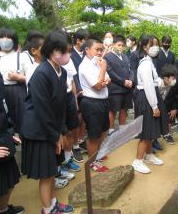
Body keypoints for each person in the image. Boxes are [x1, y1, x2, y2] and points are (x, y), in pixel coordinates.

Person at [20, 30, 74, 214]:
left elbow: (61, 106)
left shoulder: (62, 72)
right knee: (47, 173)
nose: (67, 55)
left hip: (52, 128)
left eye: (69, 51)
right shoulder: (41, 73)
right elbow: (42, 109)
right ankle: (48, 209)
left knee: (52, 170)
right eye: (64, 51)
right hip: (39, 130)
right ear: (52, 51)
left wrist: (62, 131)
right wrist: (54, 136)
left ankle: (52, 202)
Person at [0, 41, 25, 214]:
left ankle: (4, 209)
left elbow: (4, 108)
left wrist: (11, 132)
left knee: (10, 180)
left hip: (2, 136)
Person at [132, 35, 168, 174]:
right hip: (147, 98)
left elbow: (154, 81)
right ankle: (137, 161)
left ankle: (148, 155)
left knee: (151, 129)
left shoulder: (149, 62)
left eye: (156, 44)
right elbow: (147, 85)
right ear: (144, 46)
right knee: (146, 131)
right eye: (152, 44)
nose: (155, 47)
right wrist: (154, 106)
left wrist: (161, 82)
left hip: (150, 96)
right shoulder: (145, 63)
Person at [79, 39, 111, 172]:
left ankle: (98, 153)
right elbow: (98, 85)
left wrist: (104, 77)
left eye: (101, 50)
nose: (99, 52)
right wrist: (103, 69)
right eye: (97, 49)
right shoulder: (85, 66)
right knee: (94, 134)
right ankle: (93, 162)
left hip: (102, 101)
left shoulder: (97, 62)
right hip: (91, 102)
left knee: (103, 129)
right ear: (87, 50)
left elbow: (108, 79)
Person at [0, 28, 29, 134]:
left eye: (8, 37)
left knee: (22, 121)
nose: (5, 40)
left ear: (14, 40)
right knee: (1, 122)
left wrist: (19, 78)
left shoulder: (22, 56)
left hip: (18, 91)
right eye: (2, 37)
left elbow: (33, 77)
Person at [104, 35, 133, 135]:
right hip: (115, 88)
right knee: (113, 110)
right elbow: (110, 72)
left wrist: (131, 80)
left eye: (122, 45)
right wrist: (123, 81)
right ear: (113, 45)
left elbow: (131, 69)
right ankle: (111, 129)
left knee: (124, 109)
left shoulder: (125, 56)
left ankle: (122, 128)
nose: (120, 47)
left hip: (127, 88)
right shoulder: (107, 57)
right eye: (118, 45)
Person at [70, 29, 89, 161]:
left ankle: (81, 139)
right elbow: (73, 74)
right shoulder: (70, 54)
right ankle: (75, 145)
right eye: (84, 40)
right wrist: (78, 90)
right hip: (76, 90)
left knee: (84, 117)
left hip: (88, 90)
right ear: (78, 41)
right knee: (77, 118)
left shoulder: (86, 53)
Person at [158, 64, 177, 145]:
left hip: (161, 102)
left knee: (166, 114)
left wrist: (173, 108)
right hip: (148, 101)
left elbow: (169, 97)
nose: (175, 80)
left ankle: (166, 134)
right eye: (173, 78)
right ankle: (153, 139)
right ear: (165, 78)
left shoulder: (169, 84)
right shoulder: (157, 84)